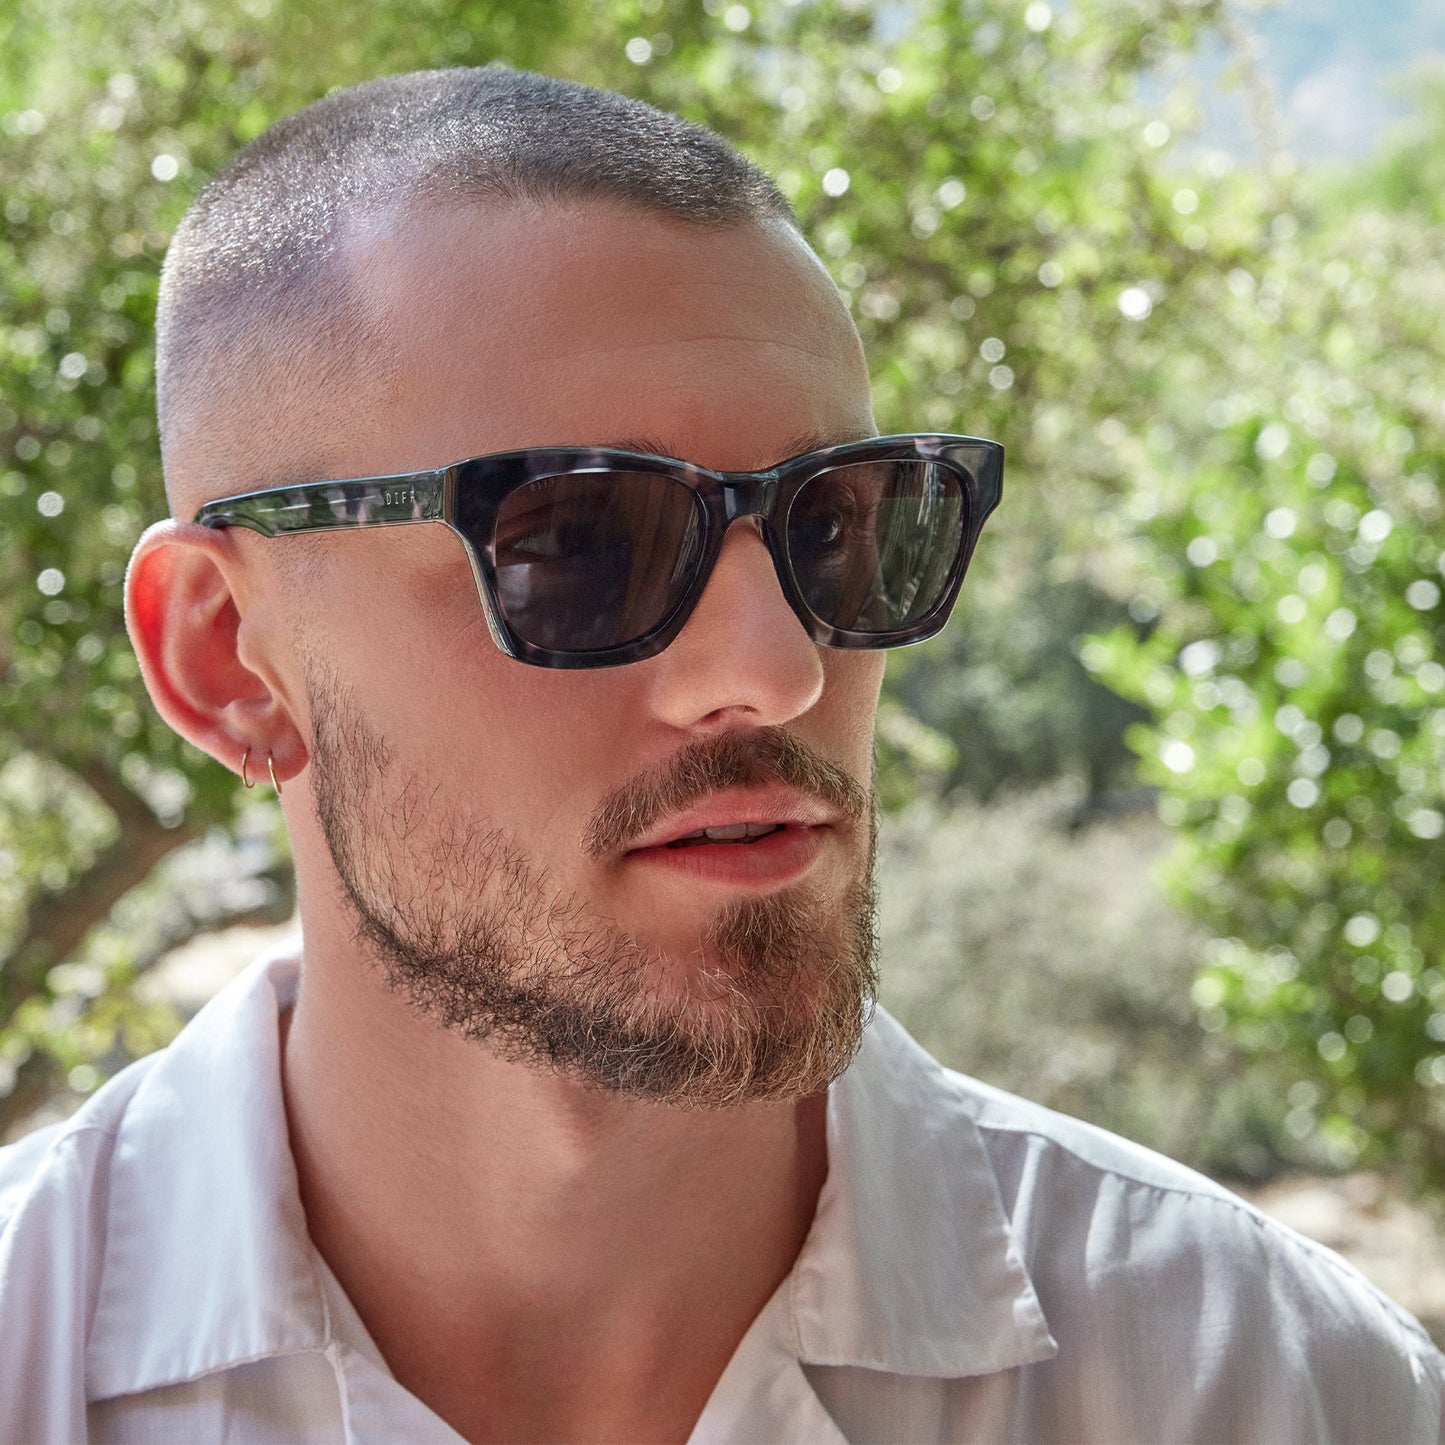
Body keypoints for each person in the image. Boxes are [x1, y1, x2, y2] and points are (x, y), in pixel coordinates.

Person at [0, 66, 1439, 1445]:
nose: (775, 668)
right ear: (220, 655)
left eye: (836, 524)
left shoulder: (1264, 1385)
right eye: (572, 542)